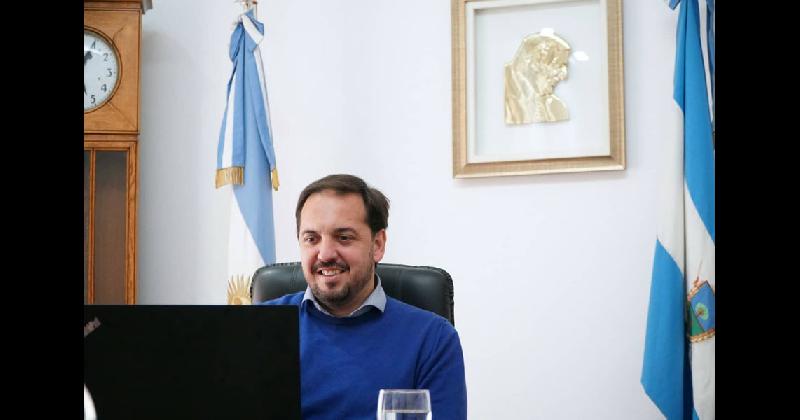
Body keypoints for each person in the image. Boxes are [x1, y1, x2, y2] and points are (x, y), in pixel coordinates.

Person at [261, 174, 467, 420]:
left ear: (377, 245)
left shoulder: (433, 339)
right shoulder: (261, 328)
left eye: (344, 237)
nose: (325, 254)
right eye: (311, 239)